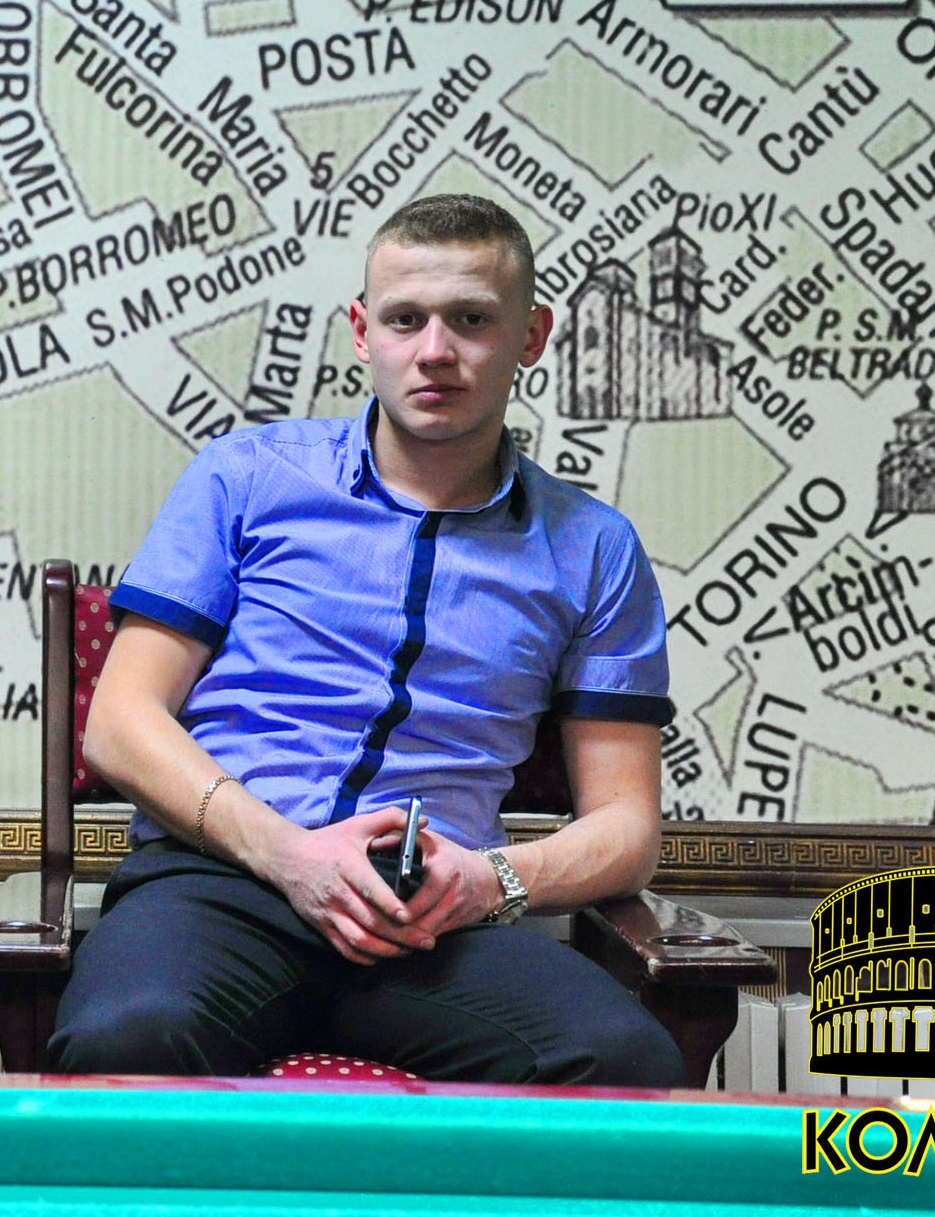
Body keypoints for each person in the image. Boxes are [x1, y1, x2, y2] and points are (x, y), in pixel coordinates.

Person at [48, 194, 683, 1084]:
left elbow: (627, 825)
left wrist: (492, 881)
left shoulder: (594, 547)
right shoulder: (246, 477)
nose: (436, 350)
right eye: (405, 319)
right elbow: (120, 726)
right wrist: (288, 854)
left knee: (625, 1062)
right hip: (220, 886)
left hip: (438, 916)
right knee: (129, 1035)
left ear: (531, 337)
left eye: (472, 320)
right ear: (361, 332)